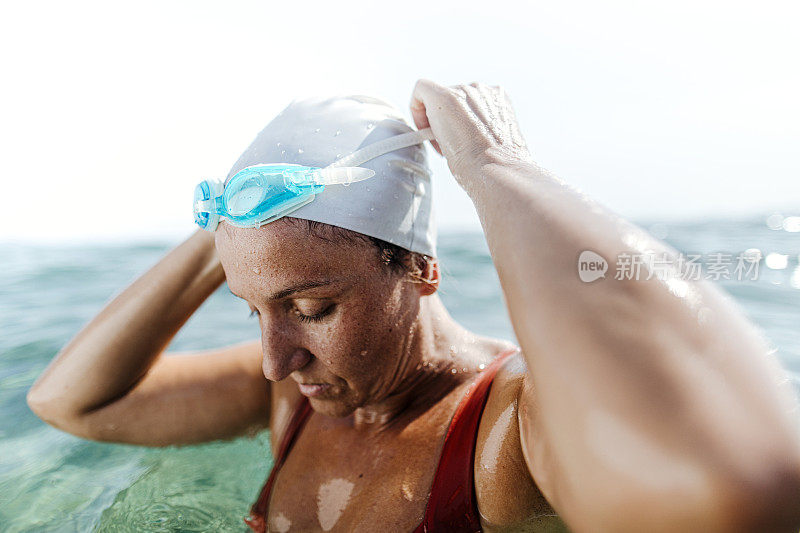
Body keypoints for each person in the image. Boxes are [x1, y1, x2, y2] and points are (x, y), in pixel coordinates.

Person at [27, 80, 800, 533]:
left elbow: (728, 487)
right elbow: (70, 402)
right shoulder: (289, 396)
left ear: (421, 268)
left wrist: (498, 169)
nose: (276, 356)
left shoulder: (505, 431)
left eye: (313, 306)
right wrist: (229, 234)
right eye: (252, 309)